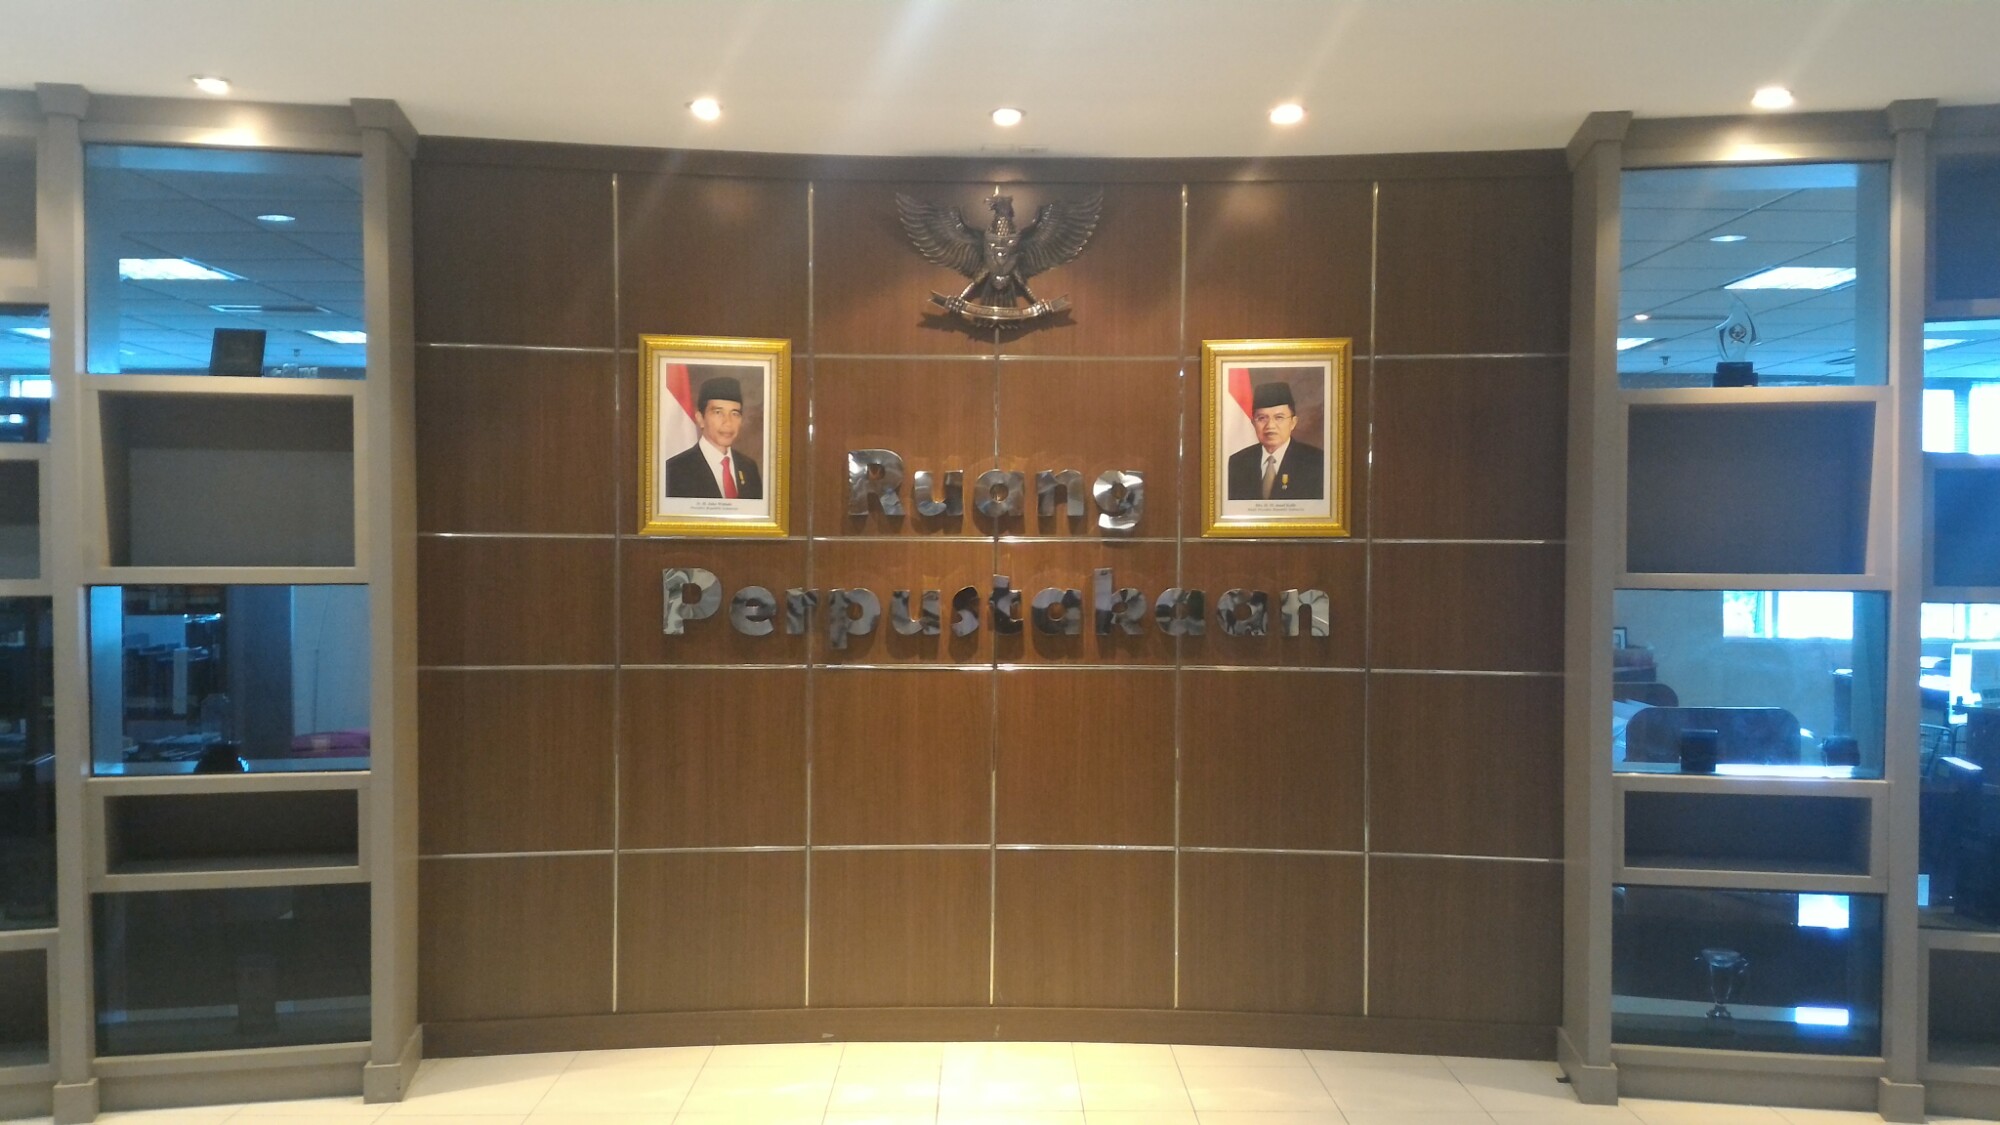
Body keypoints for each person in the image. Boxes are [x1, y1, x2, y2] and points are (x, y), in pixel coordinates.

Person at [664, 375, 763, 500]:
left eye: (735, 414)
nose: (728, 422)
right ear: (701, 419)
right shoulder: (675, 471)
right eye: (718, 412)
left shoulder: (749, 467)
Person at [1226, 380, 1323, 500]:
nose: (1270, 426)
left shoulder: (1316, 462)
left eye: (1279, 418)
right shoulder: (1237, 462)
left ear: (1293, 422)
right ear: (1253, 423)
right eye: (1262, 418)